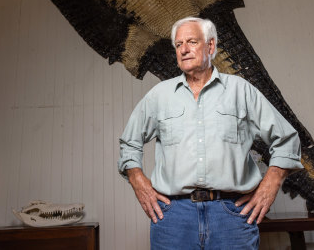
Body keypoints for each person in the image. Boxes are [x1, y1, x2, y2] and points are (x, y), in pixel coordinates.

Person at [118, 17, 303, 250]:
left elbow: (287, 139)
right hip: (173, 217)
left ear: (211, 46)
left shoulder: (240, 90)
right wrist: (138, 181)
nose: (184, 49)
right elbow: (129, 143)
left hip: (232, 215)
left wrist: (271, 183)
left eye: (192, 42)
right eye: (178, 44)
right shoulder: (159, 96)